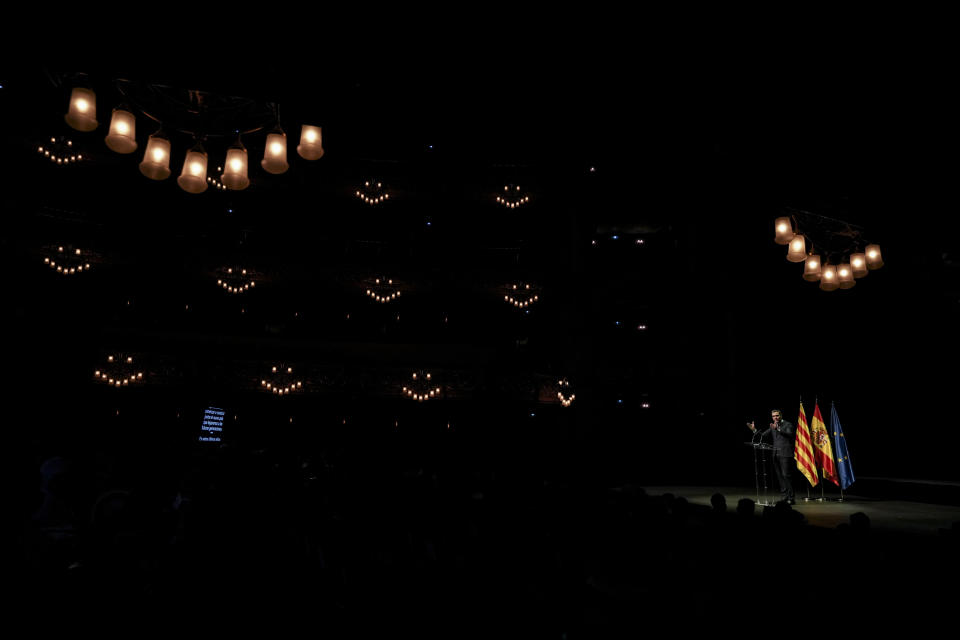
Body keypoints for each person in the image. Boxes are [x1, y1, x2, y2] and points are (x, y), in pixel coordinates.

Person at [746, 409, 796, 504]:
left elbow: (790, 434)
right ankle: (784, 497)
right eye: (773, 416)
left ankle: (791, 498)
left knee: (786, 475)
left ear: (780, 415)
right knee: (780, 476)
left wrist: (778, 429)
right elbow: (763, 436)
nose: (775, 418)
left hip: (785, 453)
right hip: (775, 454)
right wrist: (754, 430)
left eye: (777, 415)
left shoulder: (787, 424)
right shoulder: (772, 426)